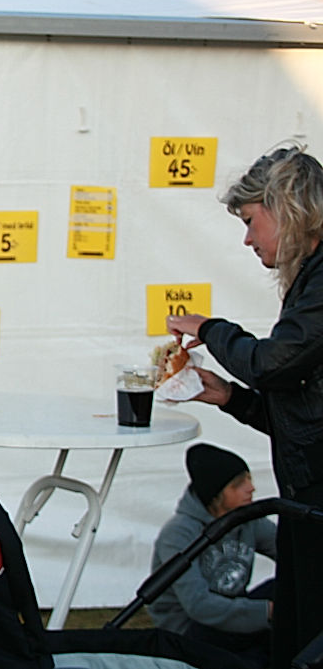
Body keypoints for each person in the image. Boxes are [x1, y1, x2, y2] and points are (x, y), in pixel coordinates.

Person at [167, 145, 323, 669]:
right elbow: (303, 416)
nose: (248, 238)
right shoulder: (310, 280)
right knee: (294, 640)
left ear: (289, 207)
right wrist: (230, 398)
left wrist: (210, 329)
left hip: (317, 506)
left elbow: (275, 363)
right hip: (307, 502)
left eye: (253, 221)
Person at [149, 444, 276, 669]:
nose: (251, 488)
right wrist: (267, 612)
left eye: (249, 479)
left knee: (288, 587)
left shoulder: (247, 519)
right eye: (239, 484)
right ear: (216, 494)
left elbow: (292, 549)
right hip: (189, 629)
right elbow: (199, 605)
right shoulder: (178, 533)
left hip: (231, 613)